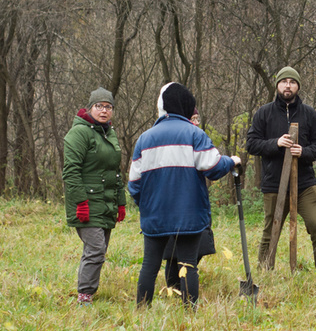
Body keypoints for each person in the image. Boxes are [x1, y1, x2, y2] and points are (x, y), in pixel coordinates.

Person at [129, 83, 240, 307]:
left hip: (154, 216)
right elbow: (214, 167)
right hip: (189, 214)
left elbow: (134, 184)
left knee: (149, 265)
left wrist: (148, 207)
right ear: (187, 107)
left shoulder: (144, 139)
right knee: (188, 264)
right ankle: (190, 312)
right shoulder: (194, 134)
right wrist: (232, 161)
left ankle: (141, 311)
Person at [246, 66, 316, 274]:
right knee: (270, 230)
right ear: (277, 85)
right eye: (284, 81)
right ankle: (265, 272)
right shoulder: (264, 113)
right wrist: (276, 143)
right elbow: (252, 144)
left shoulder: (309, 113)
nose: (288, 85)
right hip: (274, 182)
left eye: (292, 82)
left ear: (298, 86)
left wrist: (304, 151)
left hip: (304, 183)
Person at [62, 88, 126, 306]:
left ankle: (86, 292)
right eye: (99, 106)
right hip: (87, 203)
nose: (104, 111)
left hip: (105, 202)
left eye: (108, 107)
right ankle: (85, 297)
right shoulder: (79, 133)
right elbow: (70, 171)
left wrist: (121, 202)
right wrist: (80, 202)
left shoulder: (109, 132)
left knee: (97, 250)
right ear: (90, 108)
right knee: (96, 249)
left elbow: (115, 171)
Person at [162, 107, 216, 291]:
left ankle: (184, 279)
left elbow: (210, 165)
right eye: (191, 118)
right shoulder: (173, 140)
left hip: (196, 202)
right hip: (173, 202)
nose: (195, 122)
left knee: (198, 243)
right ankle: (173, 285)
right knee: (172, 248)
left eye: (197, 118)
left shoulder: (199, 138)